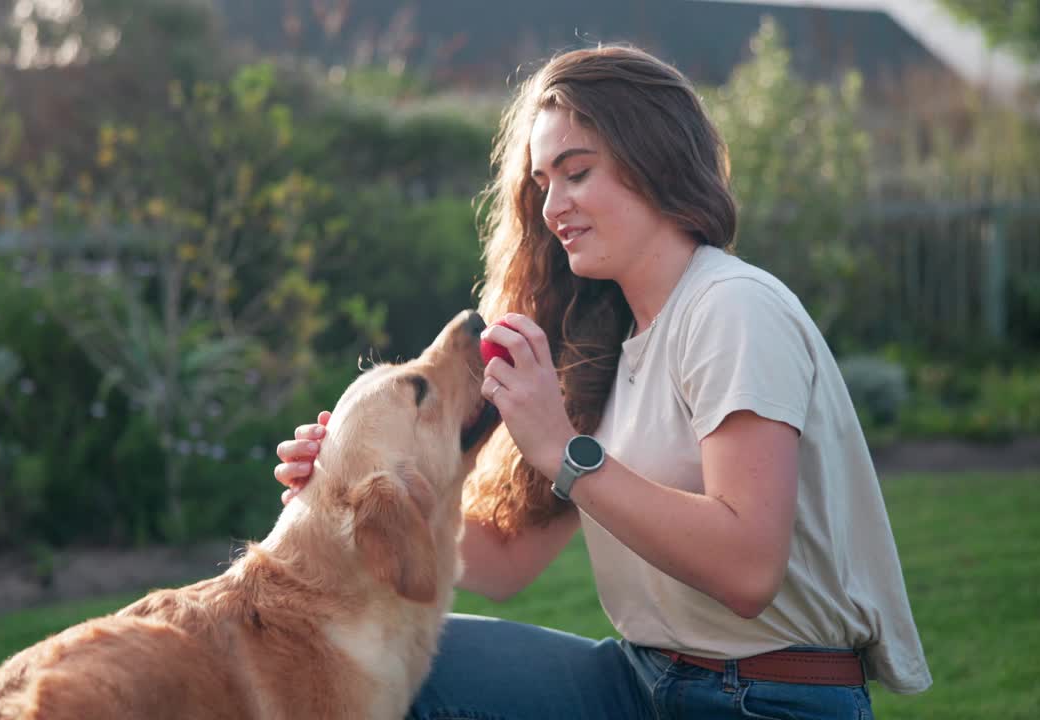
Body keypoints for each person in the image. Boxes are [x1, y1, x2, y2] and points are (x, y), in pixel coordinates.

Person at [274, 45, 931, 719]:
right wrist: (354, 497)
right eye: (542, 184)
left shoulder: (732, 307)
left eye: (576, 173)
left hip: (767, 698)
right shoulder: (603, 343)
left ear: (655, 162)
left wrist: (563, 450)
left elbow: (748, 570)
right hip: (641, 679)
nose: (553, 207)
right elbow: (502, 564)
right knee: (356, 660)